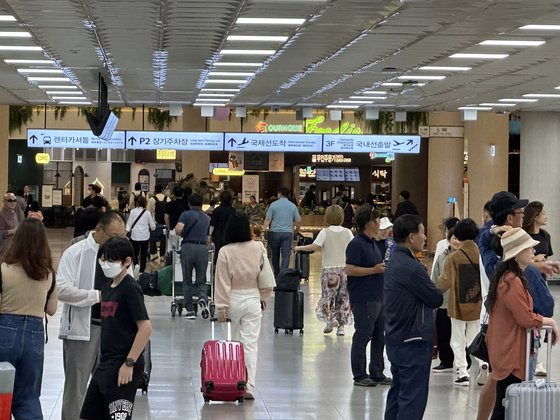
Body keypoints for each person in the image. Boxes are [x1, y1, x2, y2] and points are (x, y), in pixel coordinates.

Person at [476, 191, 558, 419]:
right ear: (509, 218)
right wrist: (547, 320)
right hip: (512, 340)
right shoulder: (509, 277)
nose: (524, 216)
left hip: (511, 336)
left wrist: (534, 266)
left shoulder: (512, 270)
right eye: (519, 213)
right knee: (508, 394)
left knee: (502, 388)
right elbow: (526, 316)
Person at [57, 211, 127, 420]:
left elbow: (128, 288)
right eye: (114, 235)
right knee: (76, 390)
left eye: (122, 236)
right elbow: (61, 289)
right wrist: (97, 296)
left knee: (109, 389)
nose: (118, 241)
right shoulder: (75, 252)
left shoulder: (120, 254)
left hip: (111, 332)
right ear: (98, 230)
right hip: (81, 331)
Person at [80, 237, 152, 419]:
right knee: (89, 413)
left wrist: (129, 363)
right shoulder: (107, 286)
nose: (105, 264)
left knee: (118, 415)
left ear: (127, 261)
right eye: (103, 259)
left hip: (123, 363)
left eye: (111, 260)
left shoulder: (130, 288)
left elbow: (145, 328)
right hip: (106, 363)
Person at [384, 214, 443, 420]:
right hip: (414, 339)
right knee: (413, 397)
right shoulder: (411, 267)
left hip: (396, 336)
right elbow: (435, 297)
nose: (425, 237)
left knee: (398, 391)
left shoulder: (394, 260)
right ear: (411, 236)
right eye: (422, 232)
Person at [0, 218, 57, 419]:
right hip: (34, 333)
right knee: (28, 397)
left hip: (5, 331)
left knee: (1, 393)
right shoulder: (48, 274)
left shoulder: (3, 270)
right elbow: (51, 309)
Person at [215, 213, 273, 400]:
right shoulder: (258, 247)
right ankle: (248, 385)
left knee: (233, 342)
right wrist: (264, 296)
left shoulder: (225, 251)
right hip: (253, 297)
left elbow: (222, 281)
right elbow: (265, 276)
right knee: (250, 344)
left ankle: (233, 380)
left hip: (232, 298)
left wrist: (221, 306)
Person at [345, 208, 390, 387]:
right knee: (363, 335)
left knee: (380, 335)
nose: (379, 223)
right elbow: (349, 269)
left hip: (378, 296)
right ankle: (359, 374)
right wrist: (373, 270)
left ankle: (377, 371)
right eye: (377, 219)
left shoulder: (373, 242)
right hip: (363, 297)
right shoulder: (356, 244)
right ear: (370, 223)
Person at [294, 205, 354, 336]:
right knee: (343, 298)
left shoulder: (325, 232)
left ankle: (330, 320)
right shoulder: (348, 232)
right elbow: (353, 247)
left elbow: (315, 247)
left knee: (328, 297)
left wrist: (299, 248)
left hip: (329, 270)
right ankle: (341, 327)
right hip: (344, 270)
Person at [438, 219, 484, 386]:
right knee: (475, 337)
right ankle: (482, 365)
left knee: (457, 339)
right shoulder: (481, 255)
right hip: (478, 302)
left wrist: (432, 294)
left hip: (458, 304)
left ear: (457, 235)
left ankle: (462, 372)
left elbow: (445, 281)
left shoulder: (453, 257)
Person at [175, 193, 211, 320]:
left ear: (189, 204)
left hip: (188, 247)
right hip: (202, 248)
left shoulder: (185, 214)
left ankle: (190, 310)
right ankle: (202, 298)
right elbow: (208, 237)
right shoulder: (207, 218)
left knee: (187, 278)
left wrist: (183, 233)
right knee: (202, 278)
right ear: (202, 204)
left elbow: (178, 230)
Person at [263, 187, 301, 276]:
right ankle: (283, 275)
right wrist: (296, 230)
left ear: (279, 193)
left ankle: (276, 275)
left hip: (274, 233)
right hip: (287, 233)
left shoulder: (273, 205)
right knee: (286, 255)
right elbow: (298, 221)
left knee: (275, 255)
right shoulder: (293, 206)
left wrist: (263, 230)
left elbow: (268, 219)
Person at [126, 196, 155, 275]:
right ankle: (142, 270)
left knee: (135, 252)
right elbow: (152, 226)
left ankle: (135, 266)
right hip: (145, 236)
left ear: (136, 203)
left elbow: (128, 225)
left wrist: (125, 233)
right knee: (144, 253)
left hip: (135, 236)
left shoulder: (132, 212)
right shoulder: (147, 212)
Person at [210, 191, 236, 263]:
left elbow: (212, 225)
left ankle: (217, 271)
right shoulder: (233, 211)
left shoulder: (216, 210)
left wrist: (209, 236)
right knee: (230, 256)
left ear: (220, 199)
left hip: (218, 236)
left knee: (218, 255)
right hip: (230, 237)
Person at [147, 184, 170, 262]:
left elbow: (148, 212)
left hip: (154, 223)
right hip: (164, 224)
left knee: (153, 239)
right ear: (162, 190)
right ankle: (163, 255)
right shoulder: (168, 199)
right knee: (164, 240)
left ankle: (153, 254)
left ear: (155, 191)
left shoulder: (152, 199)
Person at [0, 192, 23, 256]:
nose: (13, 203)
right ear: (4, 201)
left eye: (15, 200)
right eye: (10, 200)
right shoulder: (1, 215)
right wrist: (11, 231)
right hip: (5, 248)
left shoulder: (14, 212)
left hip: (15, 246)